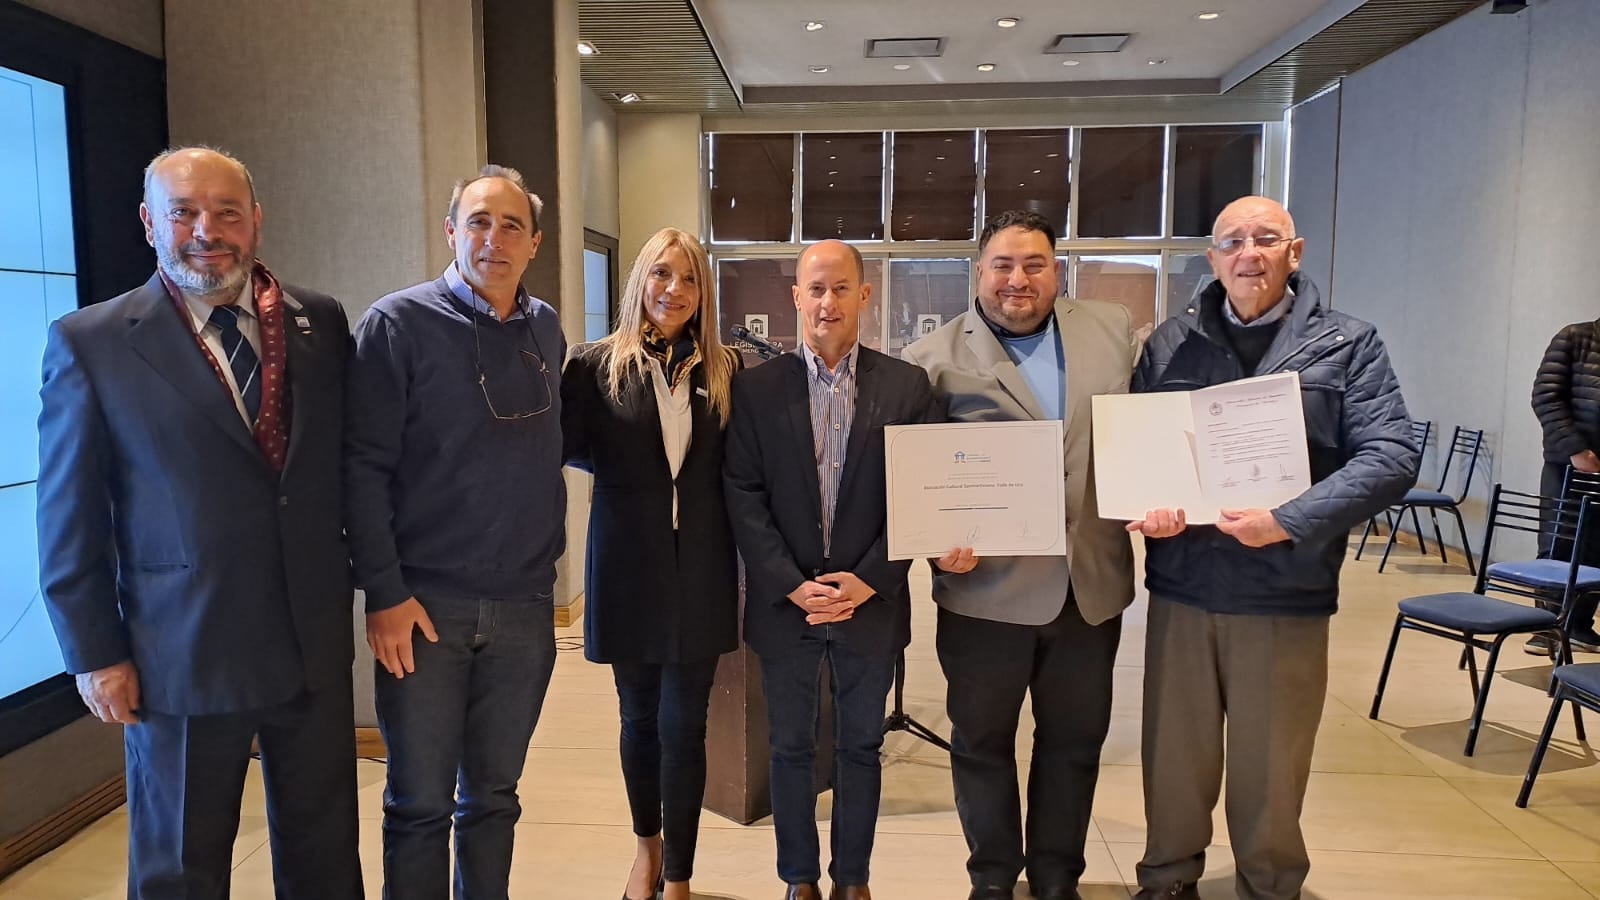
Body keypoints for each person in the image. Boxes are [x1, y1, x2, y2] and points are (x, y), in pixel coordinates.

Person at [36, 146, 362, 899]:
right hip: (177, 653)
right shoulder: (93, 342)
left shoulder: (317, 321)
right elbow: (67, 514)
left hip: (308, 640)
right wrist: (95, 653)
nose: (206, 231)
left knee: (324, 857)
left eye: (226, 212)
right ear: (150, 223)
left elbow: (343, 470)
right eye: (183, 213)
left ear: (256, 222)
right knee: (179, 867)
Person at [1128, 196, 1418, 900]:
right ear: (1213, 259)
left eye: (1265, 238)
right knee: (1174, 756)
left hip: (1285, 589)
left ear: (1296, 251)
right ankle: (1167, 880)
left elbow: (1391, 455)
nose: (1248, 254)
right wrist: (1151, 506)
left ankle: (1268, 886)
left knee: (1272, 766)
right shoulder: (1170, 343)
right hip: (1185, 587)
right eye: (1232, 242)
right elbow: (1141, 454)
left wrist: (1288, 519)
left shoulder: (1347, 344)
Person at [901, 210, 1140, 900]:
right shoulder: (931, 360)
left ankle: (1058, 878)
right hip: (984, 595)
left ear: (1056, 270)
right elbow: (918, 480)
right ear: (978, 272)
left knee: (1075, 743)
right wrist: (935, 551)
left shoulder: (1112, 332)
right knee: (981, 745)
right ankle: (993, 880)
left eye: (1034, 264)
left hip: (1089, 588)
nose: (1018, 279)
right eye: (1002, 265)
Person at [344, 164, 565, 900]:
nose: (493, 239)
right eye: (478, 222)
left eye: (511, 226)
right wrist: (383, 592)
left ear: (533, 243)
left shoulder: (544, 327)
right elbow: (363, 468)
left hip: (525, 606)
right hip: (423, 607)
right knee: (419, 804)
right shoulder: (397, 324)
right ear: (451, 232)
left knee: (495, 798)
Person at [723, 240, 937, 900]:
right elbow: (742, 494)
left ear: (864, 296)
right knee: (789, 749)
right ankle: (799, 879)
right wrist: (791, 584)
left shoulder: (906, 386)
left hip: (870, 605)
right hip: (786, 607)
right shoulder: (756, 390)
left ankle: (852, 880)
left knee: (859, 749)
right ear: (795, 296)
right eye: (815, 288)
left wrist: (870, 579)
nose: (828, 302)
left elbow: (918, 496)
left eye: (841, 288)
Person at [560, 227, 742, 900]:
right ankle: (648, 850)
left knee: (685, 726)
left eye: (690, 278)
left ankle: (681, 875)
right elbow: (570, 448)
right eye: (663, 273)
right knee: (638, 719)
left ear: (703, 293)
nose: (675, 289)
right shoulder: (592, 366)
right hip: (627, 569)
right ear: (641, 279)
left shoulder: (725, 371)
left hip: (702, 570)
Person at [1530, 316, 1600, 654]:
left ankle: (1579, 626)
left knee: (1596, 552)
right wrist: (1576, 450)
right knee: (1558, 545)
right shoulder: (1575, 337)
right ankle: (1545, 628)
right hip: (1570, 466)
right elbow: (1545, 398)